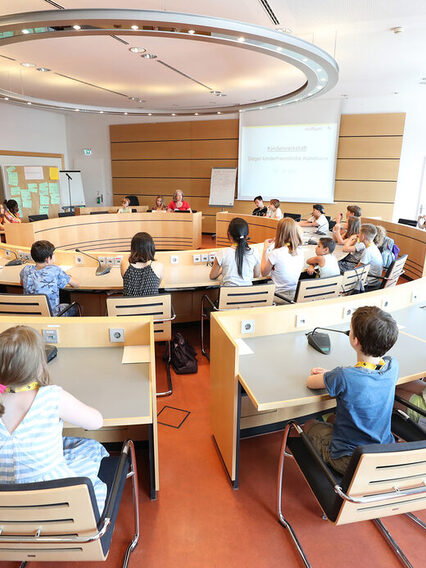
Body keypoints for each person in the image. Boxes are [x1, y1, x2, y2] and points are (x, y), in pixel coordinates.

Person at [0, 325, 109, 512]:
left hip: (7, 512)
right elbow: (96, 422)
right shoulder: (51, 397)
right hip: (56, 505)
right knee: (89, 447)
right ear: (40, 364)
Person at [304, 306, 399, 474]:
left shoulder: (343, 376)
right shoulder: (392, 366)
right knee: (333, 418)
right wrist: (332, 375)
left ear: (354, 340)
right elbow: (365, 373)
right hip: (383, 453)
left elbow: (311, 382)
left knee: (309, 424)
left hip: (348, 460)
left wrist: (330, 375)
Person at [20, 240, 80, 316]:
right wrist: (68, 276)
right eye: (53, 254)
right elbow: (77, 284)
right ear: (48, 259)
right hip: (51, 315)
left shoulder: (26, 269)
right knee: (75, 307)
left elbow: (22, 283)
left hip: (31, 314)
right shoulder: (54, 270)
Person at [261, 217, 304, 302]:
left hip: (279, 296)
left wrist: (265, 249)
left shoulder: (276, 253)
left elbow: (263, 273)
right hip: (295, 295)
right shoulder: (300, 251)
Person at [210, 218, 260, 286]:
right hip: (248, 295)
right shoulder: (254, 252)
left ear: (228, 235)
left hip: (228, 295)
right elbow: (256, 275)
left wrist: (221, 270)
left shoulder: (222, 253)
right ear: (247, 236)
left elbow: (212, 276)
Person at [121, 232, 164, 296]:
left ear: (133, 248)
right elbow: (157, 284)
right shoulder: (159, 266)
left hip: (129, 305)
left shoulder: (124, 264)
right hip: (151, 305)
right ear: (151, 248)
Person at [355, 224, 383, 290]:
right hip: (374, 278)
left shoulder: (368, 251)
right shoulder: (373, 246)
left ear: (363, 236)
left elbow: (357, 270)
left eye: (359, 233)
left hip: (369, 281)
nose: (357, 235)